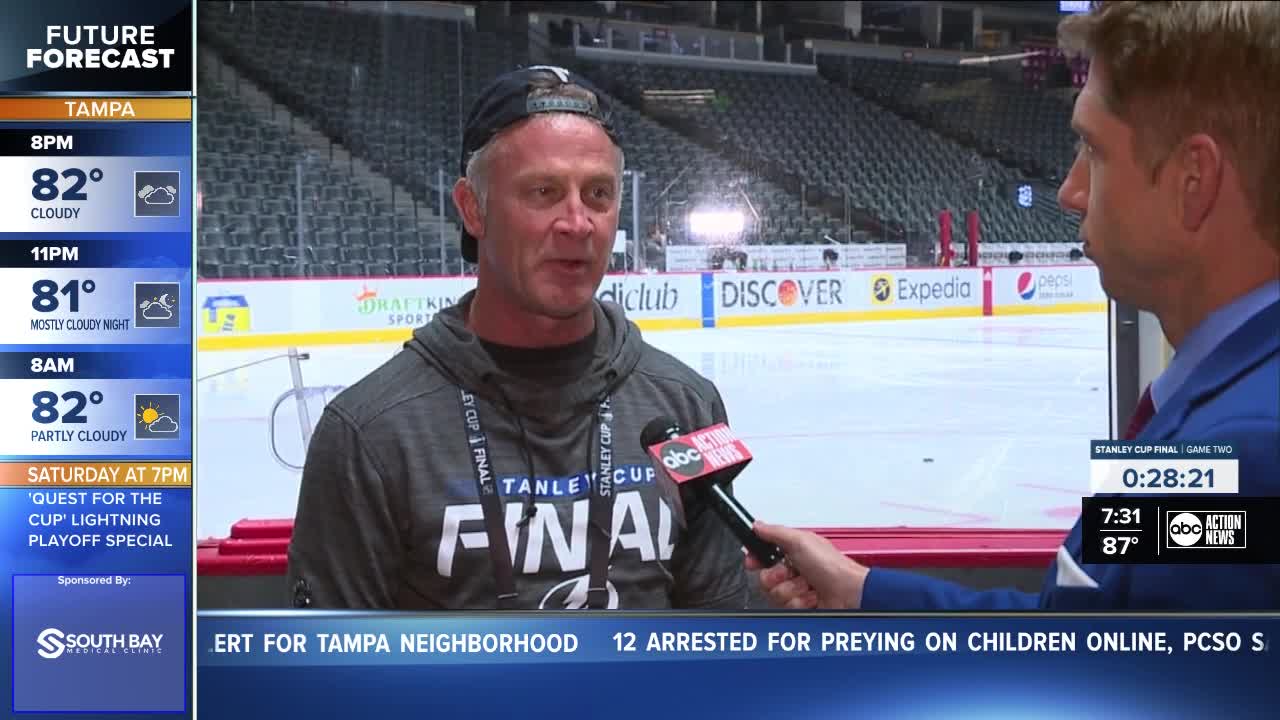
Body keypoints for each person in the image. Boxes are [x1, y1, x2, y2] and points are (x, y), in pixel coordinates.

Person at [749, 0, 1280, 611]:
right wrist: (866, 594)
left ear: (1194, 181)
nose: (1070, 191)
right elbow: (1082, 629)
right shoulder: (1215, 402)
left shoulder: (1241, 458)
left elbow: (1094, 689)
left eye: (1094, 150)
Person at [287, 66, 750, 611]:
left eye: (598, 193)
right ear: (472, 208)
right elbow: (331, 673)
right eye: (543, 191)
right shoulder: (370, 434)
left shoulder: (685, 403)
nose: (577, 223)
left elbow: (719, 639)